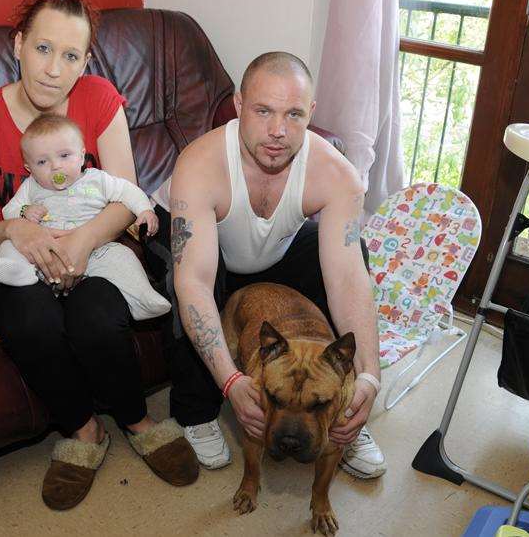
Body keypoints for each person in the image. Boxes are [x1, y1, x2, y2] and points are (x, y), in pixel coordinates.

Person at [0, 0, 198, 511]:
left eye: (70, 55)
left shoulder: (98, 99)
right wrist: (14, 230)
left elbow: (123, 199)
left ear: (85, 60)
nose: (52, 69)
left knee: (94, 314)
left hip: (96, 243)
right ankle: (85, 431)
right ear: (18, 45)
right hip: (16, 257)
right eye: (42, 49)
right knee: (32, 320)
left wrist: (84, 243)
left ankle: (136, 420)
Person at [146, 51, 386, 478]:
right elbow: (194, 285)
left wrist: (368, 376)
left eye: (294, 114)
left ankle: (340, 409)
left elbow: (350, 281)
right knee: (188, 278)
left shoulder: (337, 175)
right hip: (204, 248)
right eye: (263, 111)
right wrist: (232, 382)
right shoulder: (200, 164)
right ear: (239, 106)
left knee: (353, 254)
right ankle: (196, 412)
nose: (278, 131)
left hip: (271, 249)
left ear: (311, 112)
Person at [0, 113, 170, 321]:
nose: (55, 166)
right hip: (43, 252)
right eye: (42, 161)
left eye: (64, 156)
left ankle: (142, 298)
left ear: (81, 156)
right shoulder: (31, 186)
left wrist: (145, 210)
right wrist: (24, 211)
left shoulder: (97, 180)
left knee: (122, 257)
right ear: (29, 168)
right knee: (11, 245)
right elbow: (9, 212)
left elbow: (127, 191)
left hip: (93, 251)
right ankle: (16, 272)